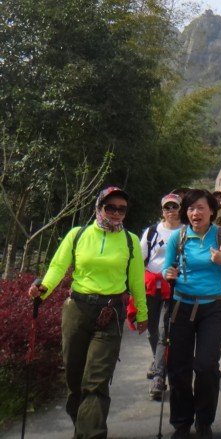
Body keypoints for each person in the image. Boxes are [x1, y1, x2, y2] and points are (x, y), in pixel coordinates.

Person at [28, 186, 148, 439]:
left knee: (96, 381)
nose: (116, 213)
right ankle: (81, 425)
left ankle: (91, 434)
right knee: (74, 379)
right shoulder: (78, 234)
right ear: (99, 207)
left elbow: (137, 280)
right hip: (77, 310)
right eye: (110, 207)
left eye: (122, 209)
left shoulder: (130, 241)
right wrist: (43, 290)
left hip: (110, 313)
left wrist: (142, 313)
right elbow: (57, 267)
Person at [162, 189, 221, 438]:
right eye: (190, 208)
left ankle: (204, 421)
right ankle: (181, 423)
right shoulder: (178, 237)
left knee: (207, 366)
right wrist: (168, 273)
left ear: (211, 210)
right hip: (181, 306)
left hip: (212, 308)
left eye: (200, 207)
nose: (195, 213)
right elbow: (167, 268)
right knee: (179, 368)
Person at [130, 193, 182, 401]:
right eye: (167, 207)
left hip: (173, 286)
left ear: (180, 209)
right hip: (151, 285)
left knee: (163, 331)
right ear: (162, 210)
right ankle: (157, 359)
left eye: (174, 207)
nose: (171, 211)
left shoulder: (185, 232)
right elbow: (140, 257)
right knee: (151, 329)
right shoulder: (152, 232)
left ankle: (159, 377)